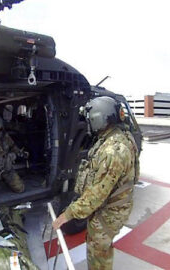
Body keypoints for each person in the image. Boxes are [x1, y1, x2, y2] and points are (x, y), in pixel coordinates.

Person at [52, 96, 139, 270]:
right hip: (112, 205)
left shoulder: (112, 151)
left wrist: (67, 215)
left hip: (109, 211)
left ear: (98, 119)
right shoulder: (120, 137)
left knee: (98, 253)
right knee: (102, 250)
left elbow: (95, 196)